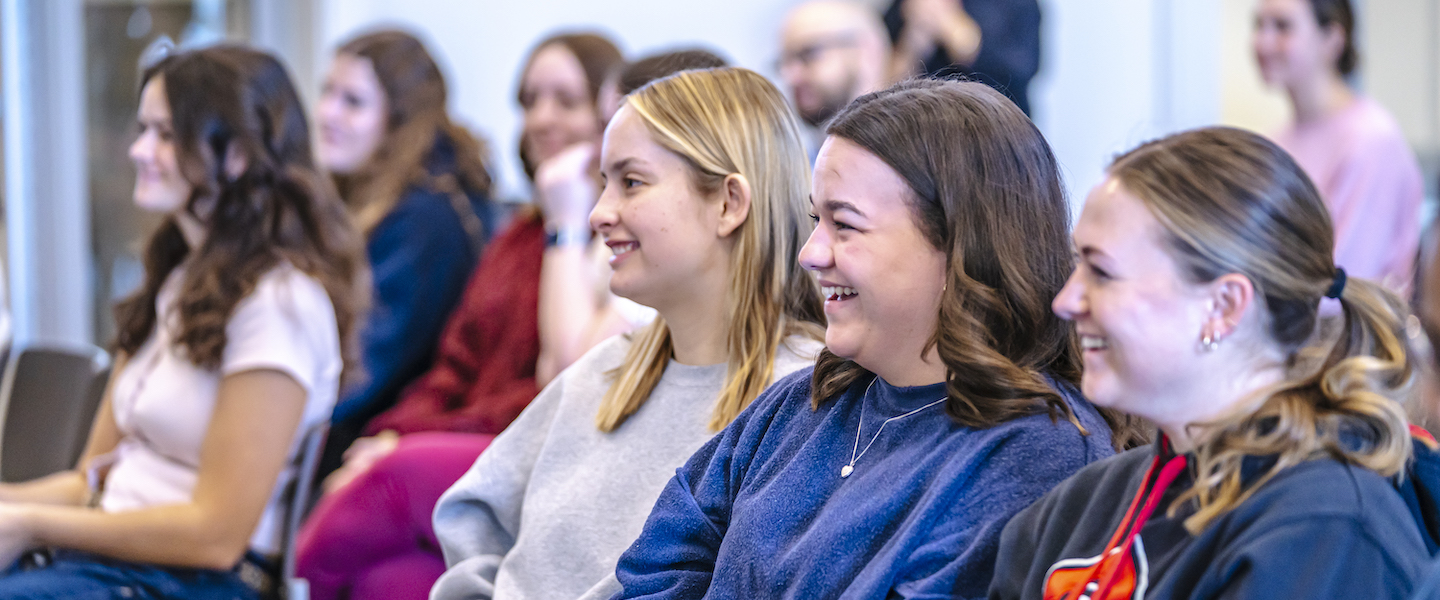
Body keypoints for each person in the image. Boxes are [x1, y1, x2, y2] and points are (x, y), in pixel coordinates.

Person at [610, 79, 1122, 599]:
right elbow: (658, 563)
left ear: (958, 246)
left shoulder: (1036, 452)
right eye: (816, 219)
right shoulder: (801, 404)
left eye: (845, 225)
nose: (811, 252)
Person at [431, 66, 826, 600]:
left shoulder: (803, 401)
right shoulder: (605, 370)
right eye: (602, 185)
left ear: (729, 204)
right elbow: (477, 521)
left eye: (631, 182)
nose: (598, 214)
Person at [988, 126, 1430, 600]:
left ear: (1223, 306)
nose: (1066, 300)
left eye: (1101, 272)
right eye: (1077, 265)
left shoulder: (1325, 527)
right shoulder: (1080, 507)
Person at [0, 46, 366, 598]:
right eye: (144, 129)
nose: (139, 150)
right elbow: (89, 484)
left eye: (167, 135)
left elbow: (216, 537)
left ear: (238, 156)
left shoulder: (280, 305)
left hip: (197, 581)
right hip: (113, 562)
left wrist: (27, 524)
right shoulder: (177, 279)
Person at [314, 30, 500, 478]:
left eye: (353, 102)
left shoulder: (427, 218)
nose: (326, 113)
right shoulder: (392, 196)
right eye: (327, 93)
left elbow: (360, 370)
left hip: (378, 442)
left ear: (399, 120)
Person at [1255, 0, 1423, 294]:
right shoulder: (1275, 142)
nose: (1262, 42)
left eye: (1282, 27)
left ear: (1332, 39)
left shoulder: (1371, 140)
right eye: (1259, 25)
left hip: (1348, 336)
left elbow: (1346, 284)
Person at [884, 0, 1041, 115]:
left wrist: (953, 30)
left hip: (992, 127)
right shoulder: (914, 5)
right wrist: (914, 40)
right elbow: (886, 84)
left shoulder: (1019, 6)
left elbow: (1020, 70)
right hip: (919, 123)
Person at [778, 1, 891, 133]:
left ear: (867, 50)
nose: (791, 77)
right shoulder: (798, 152)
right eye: (786, 61)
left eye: (809, 54)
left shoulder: (914, 146)